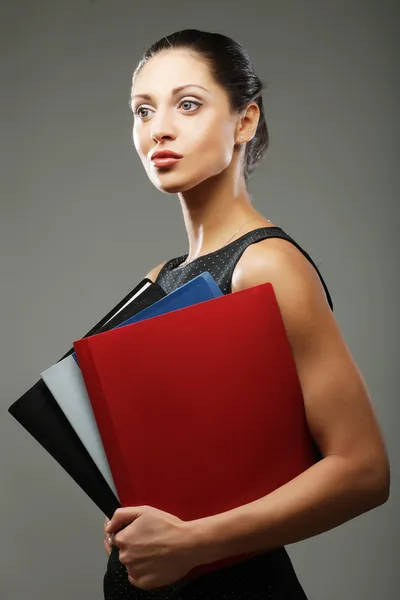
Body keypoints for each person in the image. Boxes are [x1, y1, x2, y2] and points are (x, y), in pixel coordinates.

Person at [101, 29, 390, 599]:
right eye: (142, 109)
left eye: (187, 104)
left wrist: (192, 543)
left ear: (244, 121)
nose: (157, 128)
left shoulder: (267, 265)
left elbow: (363, 470)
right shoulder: (160, 279)